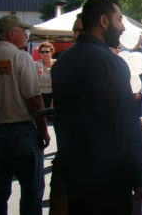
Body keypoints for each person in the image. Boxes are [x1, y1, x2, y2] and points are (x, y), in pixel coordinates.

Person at [51, 0, 142, 215]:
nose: (122, 27)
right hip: (108, 183)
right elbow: (126, 127)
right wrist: (137, 176)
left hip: (74, 179)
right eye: (119, 19)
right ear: (104, 21)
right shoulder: (112, 64)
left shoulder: (62, 62)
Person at [0, 15, 51, 215]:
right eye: (23, 31)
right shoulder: (20, 57)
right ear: (11, 34)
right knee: (31, 191)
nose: (26, 35)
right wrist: (43, 130)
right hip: (20, 132)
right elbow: (34, 99)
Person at [49, 15, 84, 215]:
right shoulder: (63, 62)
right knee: (61, 204)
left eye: (80, 30)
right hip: (68, 152)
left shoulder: (106, 62)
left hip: (91, 156)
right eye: (75, 31)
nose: (76, 35)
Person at [35, 41, 56, 112]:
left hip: (53, 95)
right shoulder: (36, 65)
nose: (44, 54)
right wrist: (34, 74)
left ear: (51, 52)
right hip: (40, 95)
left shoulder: (57, 64)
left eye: (47, 52)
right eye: (42, 52)